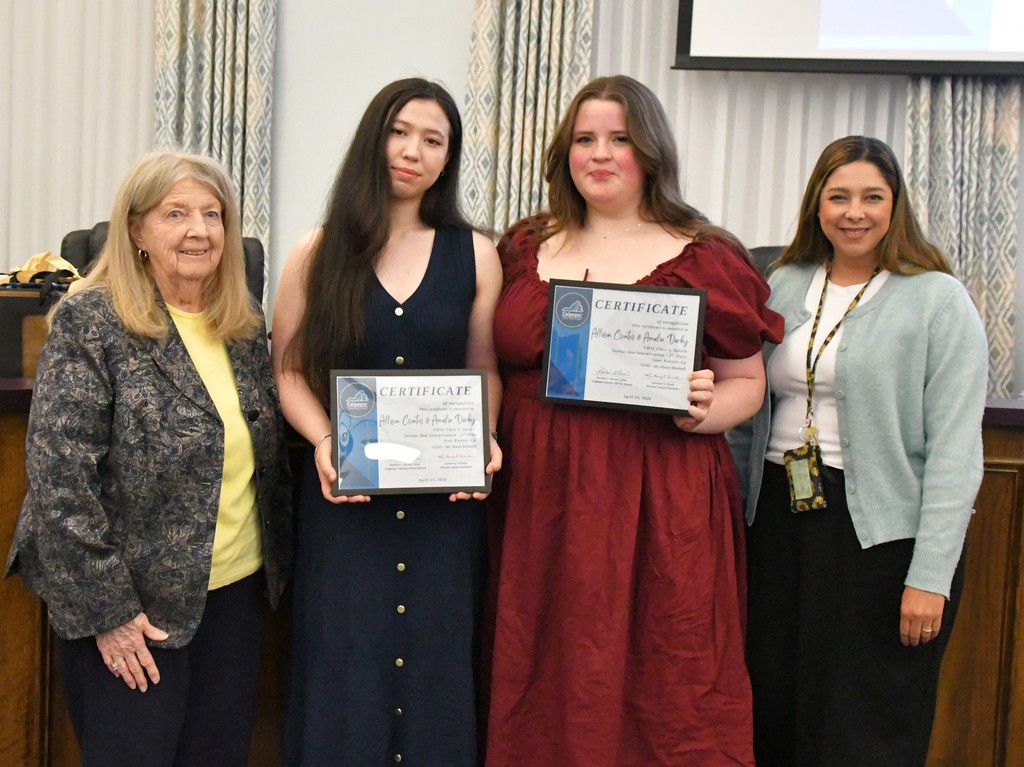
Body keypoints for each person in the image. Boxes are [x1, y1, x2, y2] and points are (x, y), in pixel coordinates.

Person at [485, 74, 783, 767]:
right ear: (565, 152)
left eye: (619, 139)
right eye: (585, 139)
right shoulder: (523, 247)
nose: (600, 154)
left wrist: (710, 412)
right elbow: (490, 360)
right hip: (542, 497)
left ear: (649, 150)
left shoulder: (705, 252)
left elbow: (748, 383)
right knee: (546, 665)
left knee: (665, 674)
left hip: (660, 496)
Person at [3, 151, 292, 766]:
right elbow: (61, 480)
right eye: (175, 214)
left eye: (213, 215)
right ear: (135, 229)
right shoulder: (92, 321)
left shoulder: (240, 325)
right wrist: (110, 612)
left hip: (231, 599)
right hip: (132, 606)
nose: (199, 230)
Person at [730, 135, 988, 766]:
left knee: (864, 722)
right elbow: (745, 407)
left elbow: (956, 449)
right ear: (816, 205)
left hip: (880, 536)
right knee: (776, 709)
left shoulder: (936, 298)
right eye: (838, 196)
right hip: (780, 525)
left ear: (895, 206)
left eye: (873, 197)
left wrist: (929, 577)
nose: (855, 212)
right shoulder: (782, 283)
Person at [273, 78, 503, 766]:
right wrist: (322, 439)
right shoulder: (317, 250)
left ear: (450, 158)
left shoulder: (477, 253)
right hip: (348, 501)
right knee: (345, 670)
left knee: (436, 667)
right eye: (400, 131)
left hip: (445, 507)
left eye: (434, 140)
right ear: (374, 137)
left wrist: (481, 438)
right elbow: (287, 370)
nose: (413, 151)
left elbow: (485, 368)